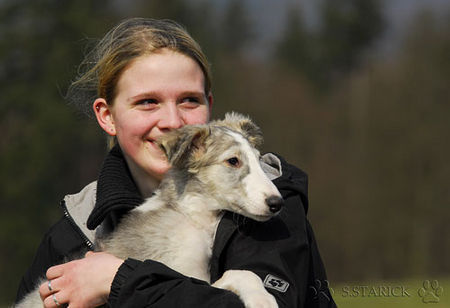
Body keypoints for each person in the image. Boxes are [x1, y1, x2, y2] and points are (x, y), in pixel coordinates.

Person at [15, 18, 336, 307]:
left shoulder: (270, 204)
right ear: (107, 116)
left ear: (209, 105)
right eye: (147, 102)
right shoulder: (73, 229)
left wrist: (118, 280)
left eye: (189, 100)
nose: (173, 121)